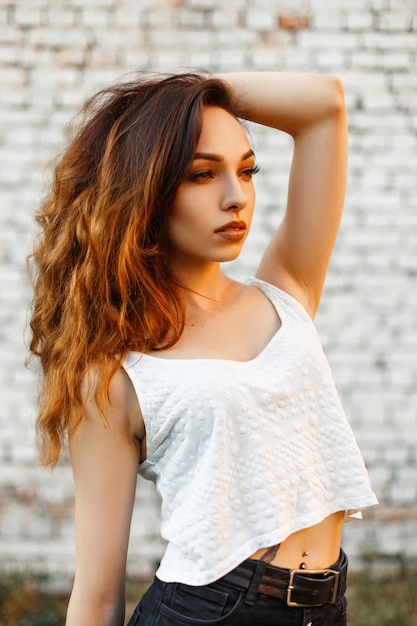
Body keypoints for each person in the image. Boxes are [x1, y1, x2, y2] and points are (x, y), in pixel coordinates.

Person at [29, 71, 378, 626]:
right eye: (201, 174)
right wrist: (165, 110)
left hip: (324, 606)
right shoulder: (115, 371)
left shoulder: (285, 289)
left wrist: (191, 91)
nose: (236, 197)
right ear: (144, 189)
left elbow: (323, 106)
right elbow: (96, 596)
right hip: (211, 611)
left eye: (246, 170)